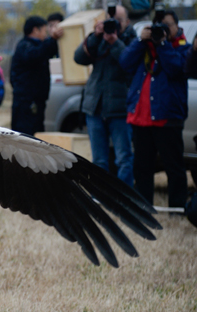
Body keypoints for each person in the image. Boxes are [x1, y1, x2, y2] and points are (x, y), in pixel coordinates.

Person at [120, 10, 190, 208]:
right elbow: (125, 62)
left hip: (167, 117)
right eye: (160, 26)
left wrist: (162, 44)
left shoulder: (184, 47)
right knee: (142, 167)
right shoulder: (145, 46)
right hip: (141, 117)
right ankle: (143, 206)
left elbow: (176, 68)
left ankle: (177, 207)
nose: (163, 30)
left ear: (176, 27)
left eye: (168, 25)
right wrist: (140, 41)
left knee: (174, 166)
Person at [73, 5, 134, 187]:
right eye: (111, 20)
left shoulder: (132, 40)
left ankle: (124, 199)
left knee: (124, 158)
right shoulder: (98, 40)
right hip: (95, 107)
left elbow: (129, 63)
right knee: (99, 160)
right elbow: (79, 58)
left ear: (127, 22)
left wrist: (115, 42)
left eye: (119, 20)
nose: (114, 24)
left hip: (119, 108)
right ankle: (99, 197)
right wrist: (95, 36)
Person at [10, 16, 63, 135]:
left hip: (37, 100)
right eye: (45, 30)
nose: (46, 33)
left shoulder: (40, 45)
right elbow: (35, 55)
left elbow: (49, 50)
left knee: (37, 134)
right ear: (35, 30)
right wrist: (52, 39)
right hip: (26, 101)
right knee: (24, 136)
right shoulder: (25, 46)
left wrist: (55, 40)